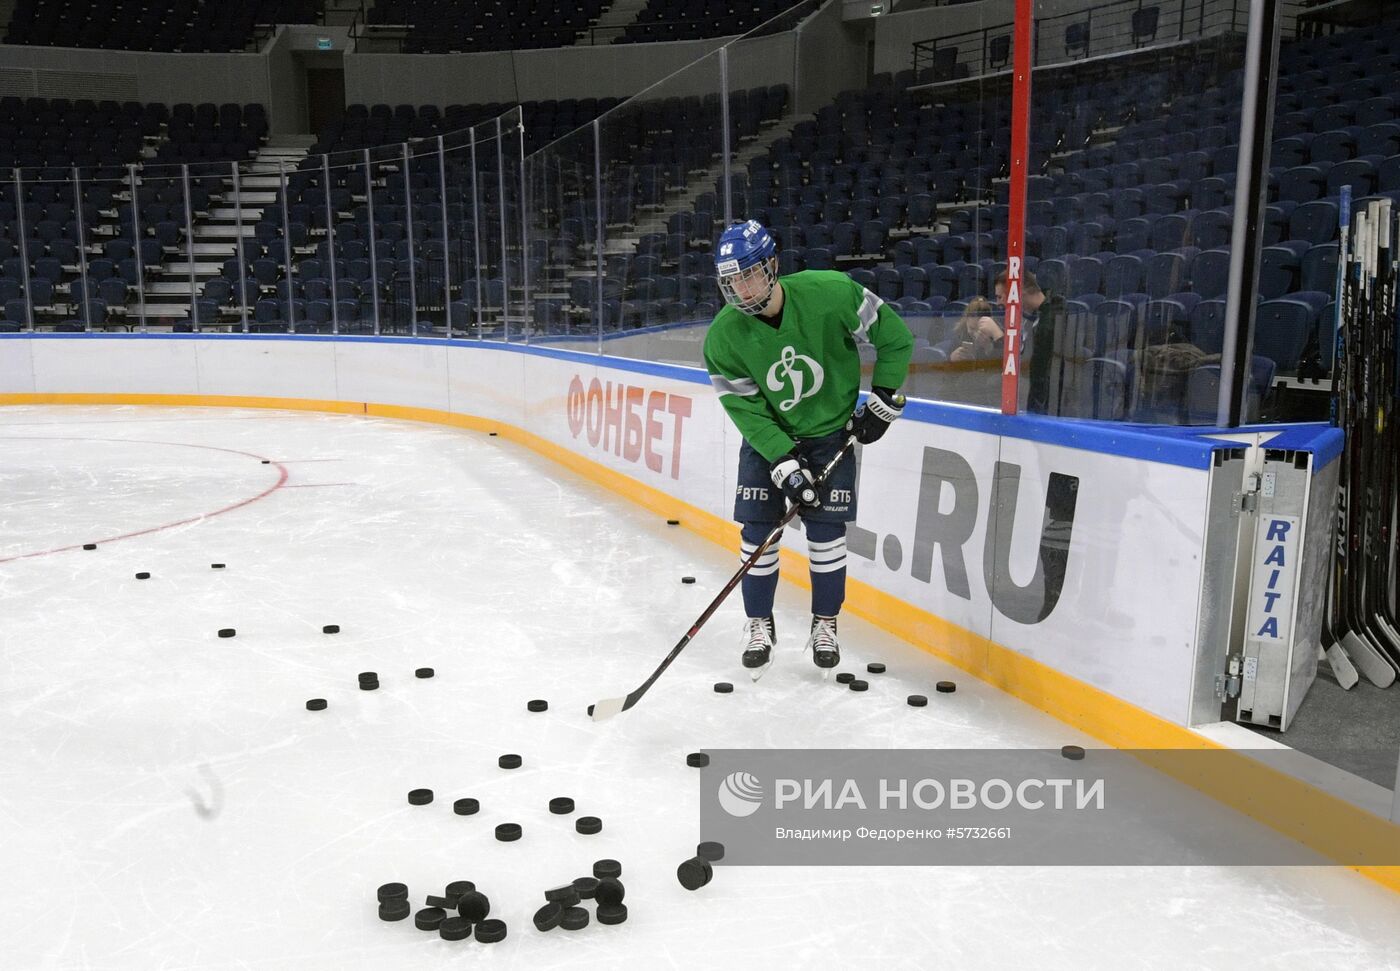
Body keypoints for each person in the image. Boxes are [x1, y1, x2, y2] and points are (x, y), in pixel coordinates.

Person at [702, 220, 913, 677]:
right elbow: (747, 411)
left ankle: (825, 623)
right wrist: (780, 459)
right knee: (757, 535)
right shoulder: (722, 337)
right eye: (731, 280)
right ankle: (759, 624)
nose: (741, 289)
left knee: (826, 536)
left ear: (772, 266)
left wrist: (883, 397)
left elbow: (895, 337)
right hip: (766, 442)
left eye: (749, 274)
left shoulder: (832, 292)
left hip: (829, 435)